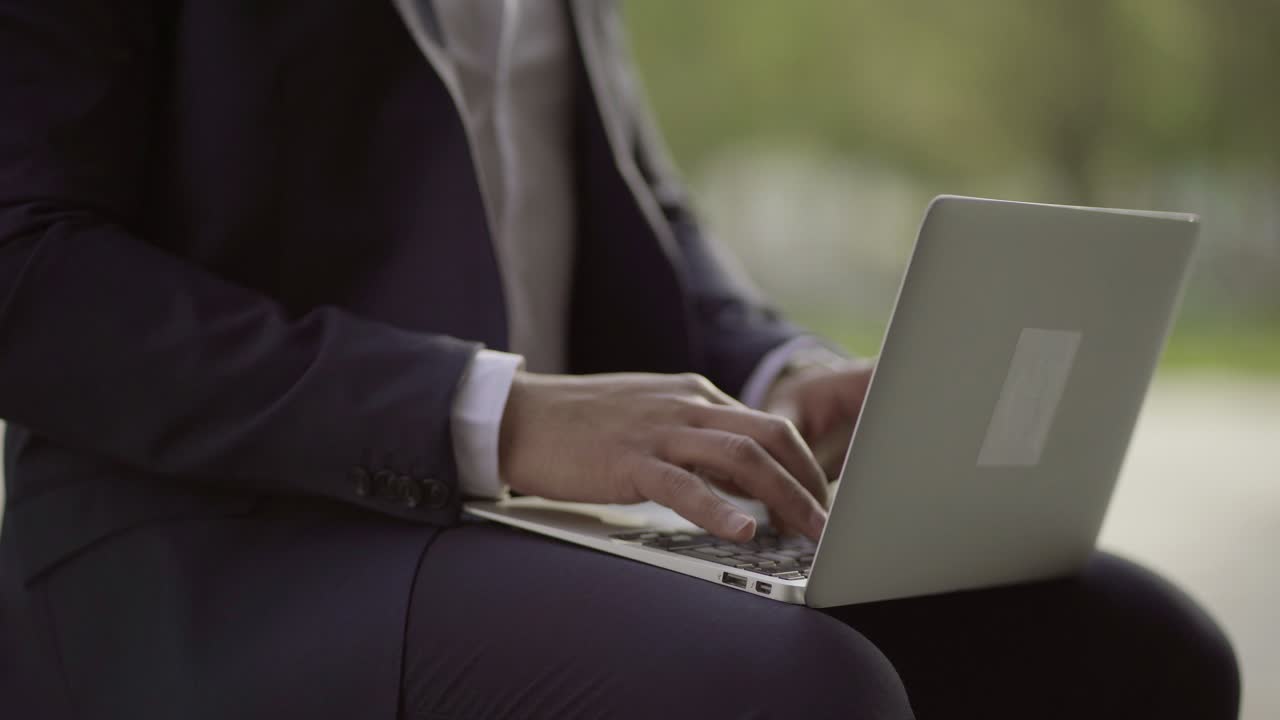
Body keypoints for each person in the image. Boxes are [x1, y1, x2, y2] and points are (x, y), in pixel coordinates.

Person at [0, 1, 1239, 718]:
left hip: (537, 523)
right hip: (210, 538)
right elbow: (25, 265)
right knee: (795, 693)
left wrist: (776, 379)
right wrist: (490, 413)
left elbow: (633, 206)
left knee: (1137, 646)